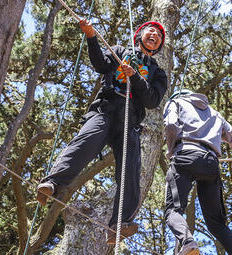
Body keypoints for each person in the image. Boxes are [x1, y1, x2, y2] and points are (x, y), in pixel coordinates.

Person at [36, 19, 168, 244]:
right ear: (140, 34)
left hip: (130, 118)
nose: (154, 34)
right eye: (150, 30)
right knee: (85, 142)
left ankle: (119, 223)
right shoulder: (119, 51)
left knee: (130, 169)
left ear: (158, 46)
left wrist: (135, 77)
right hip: (106, 109)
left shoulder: (158, 73)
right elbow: (100, 64)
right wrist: (91, 37)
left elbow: (151, 100)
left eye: (158, 35)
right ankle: (53, 183)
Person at [163, 89, 232, 255]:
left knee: (173, 211)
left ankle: (188, 243)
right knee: (216, 223)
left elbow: (170, 125)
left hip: (185, 155)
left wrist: (171, 150)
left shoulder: (175, 102)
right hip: (211, 162)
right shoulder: (215, 114)